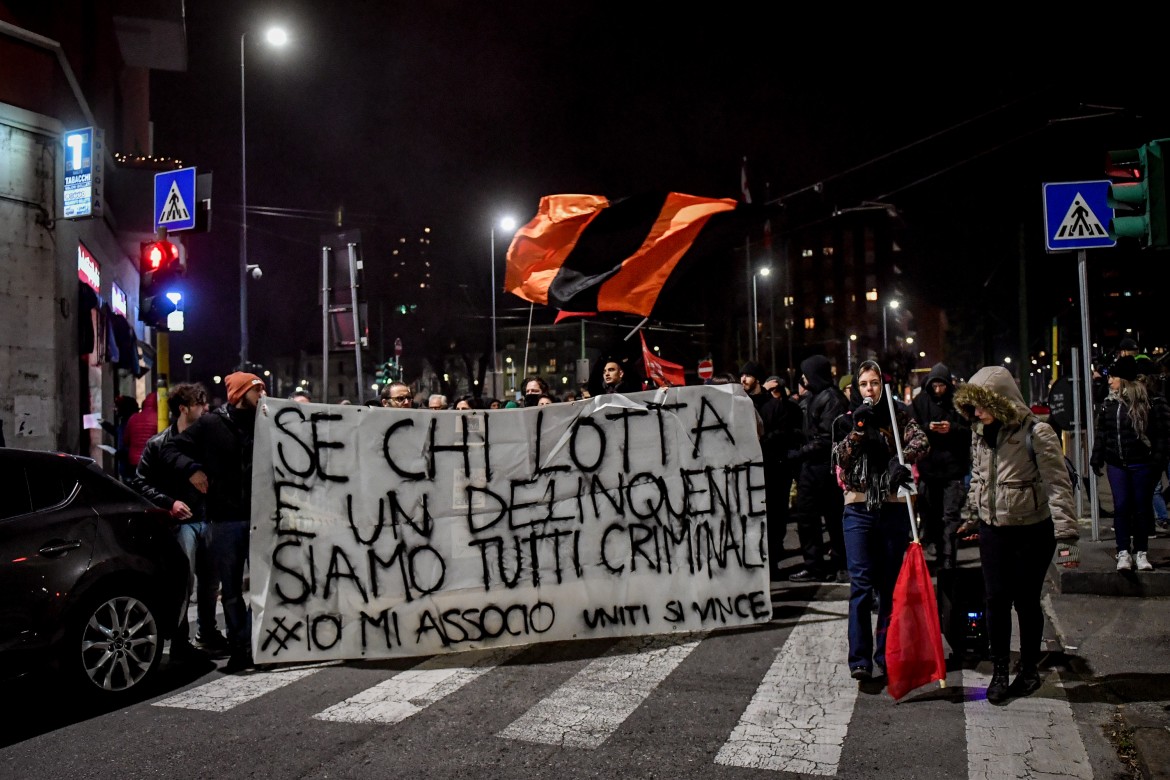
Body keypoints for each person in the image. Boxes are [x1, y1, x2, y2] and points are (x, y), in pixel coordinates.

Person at [954, 365, 1080, 704]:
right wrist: (971, 516)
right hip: (994, 530)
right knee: (995, 600)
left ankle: (1028, 670)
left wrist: (1067, 535)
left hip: (1033, 531)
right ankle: (999, 669)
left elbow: (1057, 484)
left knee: (1026, 600)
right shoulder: (980, 431)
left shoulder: (1038, 432)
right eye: (973, 406)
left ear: (1002, 400)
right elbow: (979, 478)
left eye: (982, 405)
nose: (977, 412)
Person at [163, 371, 267, 672]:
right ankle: (240, 648)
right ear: (239, 393)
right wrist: (192, 470)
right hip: (225, 519)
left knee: (263, 587)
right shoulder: (211, 424)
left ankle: (251, 642)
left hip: (261, 517)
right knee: (232, 590)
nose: (261, 393)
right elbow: (170, 448)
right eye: (255, 388)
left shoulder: (268, 420)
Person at [833, 360, 928, 681]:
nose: (869, 390)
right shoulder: (846, 420)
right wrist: (859, 431)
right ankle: (859, 659)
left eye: (874, 383)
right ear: (856, 389)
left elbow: (921, 441)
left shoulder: (898, 416)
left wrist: (899, 462)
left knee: (888, 587)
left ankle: (885, 652)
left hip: (892, 508)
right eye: (864, 385)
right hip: (858, 508)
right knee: (861, 585)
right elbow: (841, 458)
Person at [128, 382, 226, 660]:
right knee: (183, 583)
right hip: (179, 524)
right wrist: (169, 503)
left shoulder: (206, 441)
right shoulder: (158, 444)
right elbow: (140, 482)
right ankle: (180, 642)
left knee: (210, 581)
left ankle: (207, 633)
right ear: (183, 409)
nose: (206, 408)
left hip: (208, 519)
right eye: (200, 403)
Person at [1090, 355, 1170, 572]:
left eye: (1113, 377)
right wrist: (1097, 456)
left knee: (1142, 508)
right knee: (1122, 506)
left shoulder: (1151, 402)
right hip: (1117, 464)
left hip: (1142, 464)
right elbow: (1103, 432)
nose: (1109, 381)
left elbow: (1163, 433)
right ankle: (1123, 551)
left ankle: (1141, 552)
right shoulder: (1110, 404)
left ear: (1123, 379)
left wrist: (1157, 460)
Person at [787, 354, 850, 583]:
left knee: (834, 519)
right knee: (806, 519)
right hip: (810, 469)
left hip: (827, 469)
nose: (802, 378)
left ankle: (841, 564)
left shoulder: (832, 399)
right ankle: (814, 566)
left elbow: (826, 438)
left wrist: (799, 453)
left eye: (805, 372)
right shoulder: (813, 397)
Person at [911, 363, 972, 569]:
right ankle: (937, 549)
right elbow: (911, 428)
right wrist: (927, 427)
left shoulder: (959, 402)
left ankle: (948, 558)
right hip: (929, 470)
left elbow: (970, 430)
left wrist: (952, 429)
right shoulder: (920, 402)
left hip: (953, 469)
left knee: (950, 516)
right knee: (932, 515)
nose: (938, 391)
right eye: (935, 386)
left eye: (942, 386)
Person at [759, 374, 804, 580]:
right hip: (765, 468)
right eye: (769, 391)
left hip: (782, 467)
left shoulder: (791, 409)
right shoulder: (761, 408)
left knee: (777, 516)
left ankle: (775, 553)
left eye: (776, 391)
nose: (773, 396)